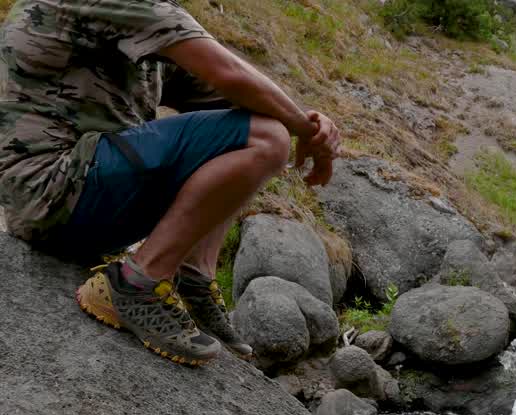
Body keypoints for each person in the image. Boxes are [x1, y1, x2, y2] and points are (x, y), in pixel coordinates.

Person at [0, 0, 341, 366]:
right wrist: (304, 131)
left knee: (254, 123)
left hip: (78, 199)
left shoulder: (136, 19)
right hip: (57, 188)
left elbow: (237, 96)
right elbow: (228, 74)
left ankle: (192, 278)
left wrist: (305, 119)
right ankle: (134, 284)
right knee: (266, 139)